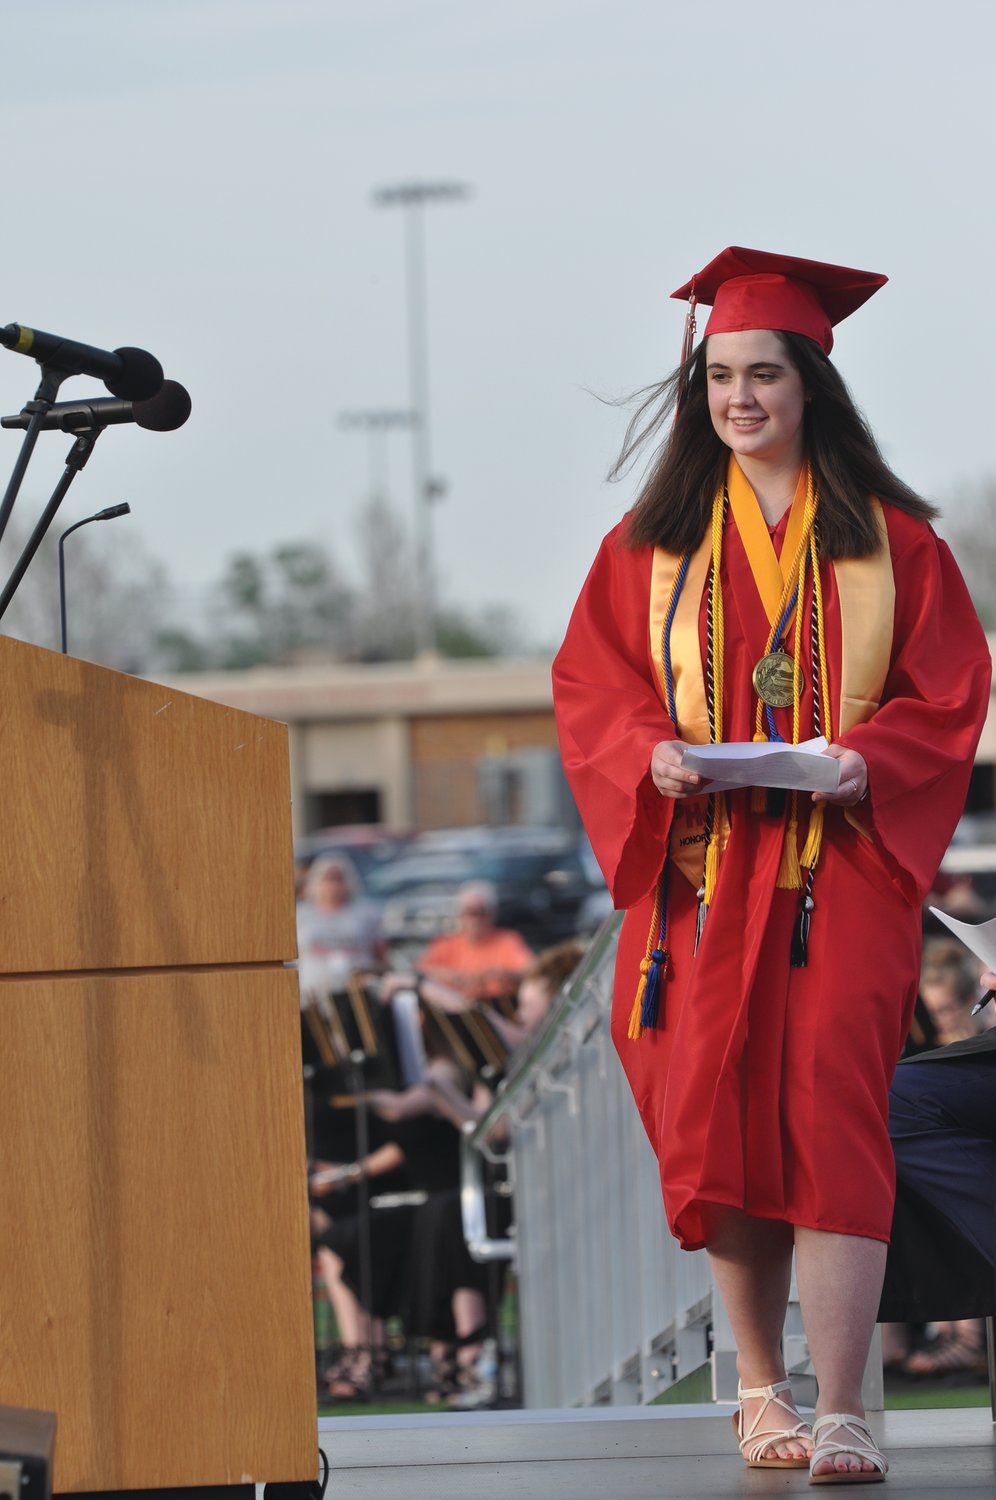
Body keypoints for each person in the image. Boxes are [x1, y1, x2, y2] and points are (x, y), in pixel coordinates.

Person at [552, 247, 991, 1483]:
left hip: (832, 876)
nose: (739, 398)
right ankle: (759, 1390)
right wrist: (649, 755)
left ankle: (845, 1402)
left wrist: (867, 761)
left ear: (812, 388)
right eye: (720, 376)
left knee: (832, 1119)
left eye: (764, 374)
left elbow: (950, 692)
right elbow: (595, 690)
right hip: (694, 880)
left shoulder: (897, 548)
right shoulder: (650, 548)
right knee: (717, 1121)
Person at [296, 853, 386, 993]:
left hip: (357, 994)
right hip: (312, 992)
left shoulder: (367, 914)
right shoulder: (301, 915)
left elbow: (381, 955)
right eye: (327, 879)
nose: (333, 885)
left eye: (338, 879)